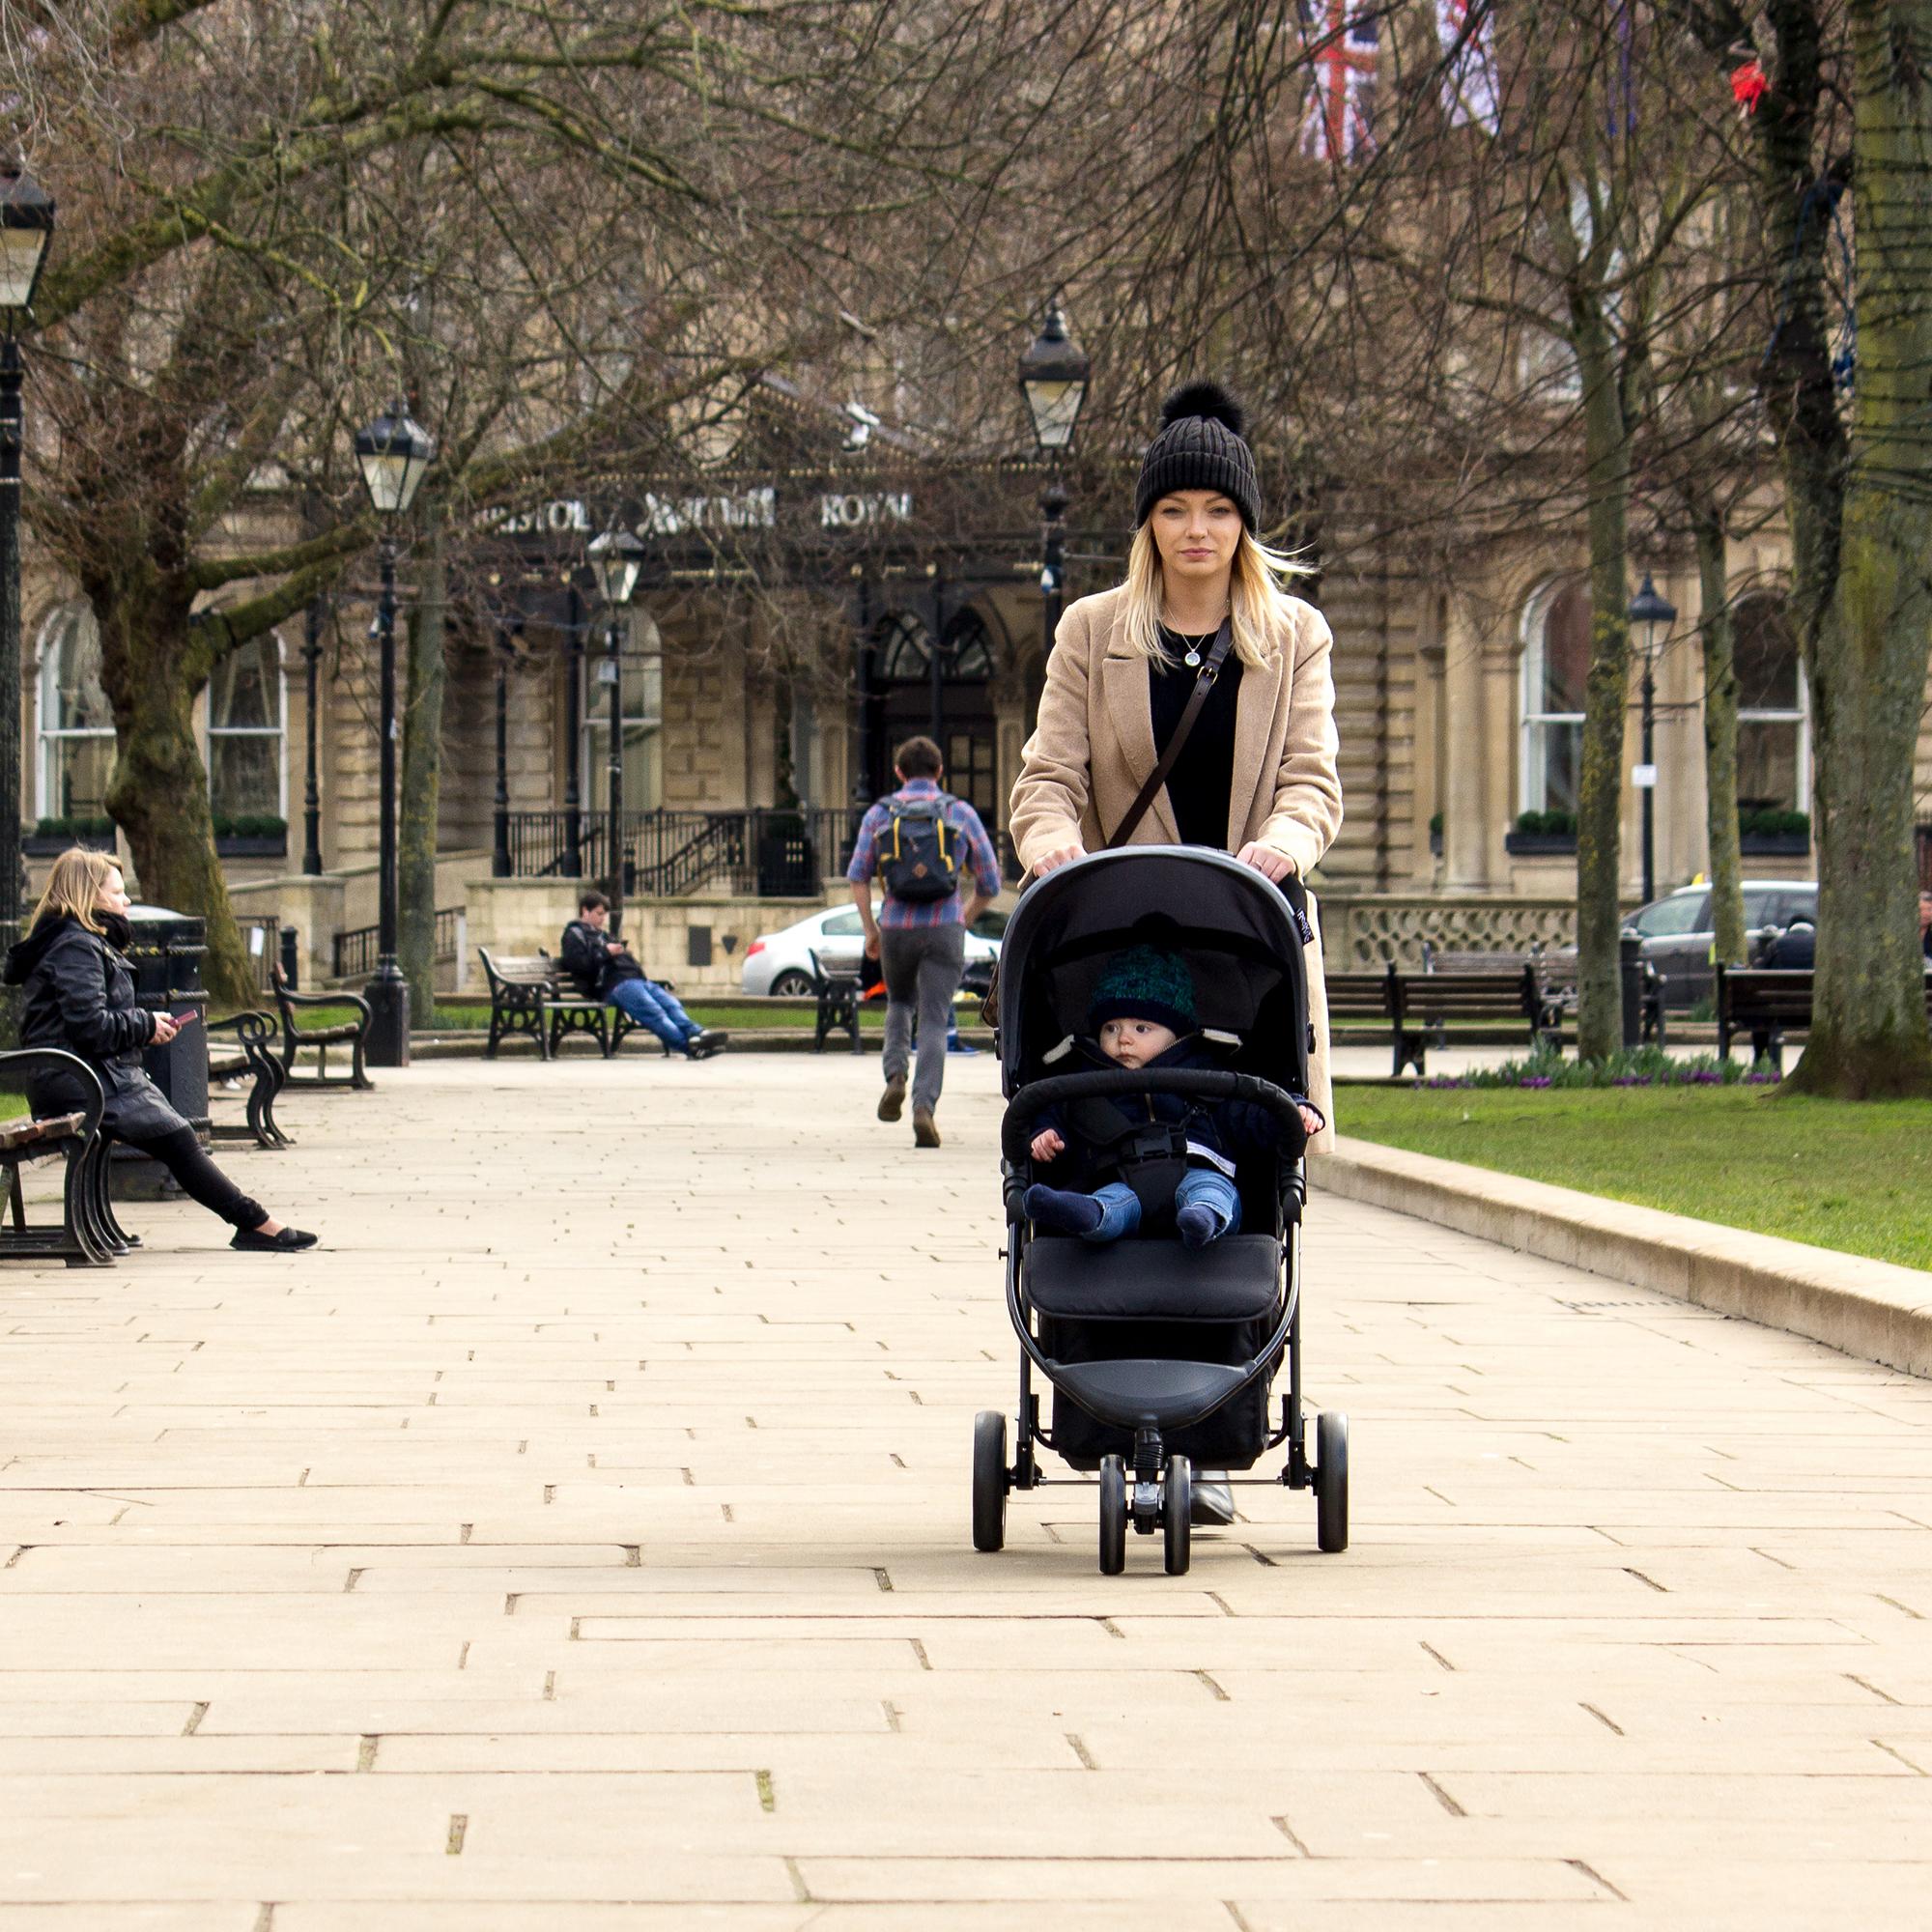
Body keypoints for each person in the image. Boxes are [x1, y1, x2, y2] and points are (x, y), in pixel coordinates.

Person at [1008, 380, 1343, 1148]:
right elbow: (1048, 776)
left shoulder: (1297, 634)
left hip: (1245, 935)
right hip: (1120, 940)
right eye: (1174, 510)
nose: (1198, 529)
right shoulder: (1090, 630)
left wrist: (1286, 844)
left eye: (1219, 510)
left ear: (1245, 523)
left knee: (1257, 1164)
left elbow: (1311, 781)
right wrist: (1051, 840)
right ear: (1148, 523)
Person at [1, 849, 317, 1252]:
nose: (126, 901)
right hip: (79, 1080)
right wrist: (145, 1025)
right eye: (117, 892)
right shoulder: (75, 947)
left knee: (177, 1136)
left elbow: (89, 1020)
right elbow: (90, 1026)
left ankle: (253, 1221)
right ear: (90, 897)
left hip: (89, 1075)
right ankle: (254, 1222)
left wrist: (144, 1022)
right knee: (179, 1137)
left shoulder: (79, 942)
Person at [1023, 946, 1324, 1250]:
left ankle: (1202, 1220)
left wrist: (1294, 1109)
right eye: (1110, 1028)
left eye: (1141, 1028)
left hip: (1199, 1167)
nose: (1123, 1039)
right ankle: (1087, 1215)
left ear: (1176, 1036)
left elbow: (1250, 1112)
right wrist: (1046, 1133)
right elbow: (1056, 1110)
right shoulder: (1085, 1081)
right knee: (1111, 1202)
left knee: (1212, 1191)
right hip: (1121, 1177)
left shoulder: (1207, 1074)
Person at [846, 734, 1003, 1149]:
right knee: (934, 1018)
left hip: (896, 926)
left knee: (899, 1004)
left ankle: (896, 1075)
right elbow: (990, 881)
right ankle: (924, 1108)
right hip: (943, 926)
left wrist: (870, 930)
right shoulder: (960, 813)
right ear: (939, 772)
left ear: (899, 773)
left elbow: (857, 876)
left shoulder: (880, 814)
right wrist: (962, 919)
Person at [560, 892, 725, 1059]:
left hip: (634, 981)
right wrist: (605, 952)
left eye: (605, 915)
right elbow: (579, 966)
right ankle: (690, 1047)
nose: (603, 919)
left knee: (671, 1004)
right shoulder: (574, 935)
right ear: (585, 911)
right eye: (599, 914)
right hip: (613, 986)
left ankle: (698, 1033)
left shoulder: (603, 935)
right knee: (654, 1013)